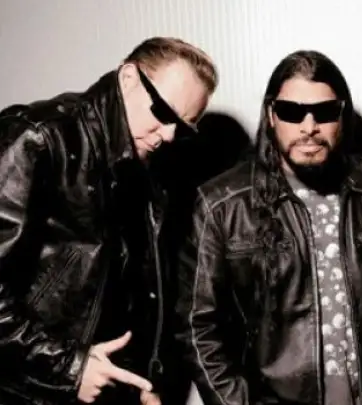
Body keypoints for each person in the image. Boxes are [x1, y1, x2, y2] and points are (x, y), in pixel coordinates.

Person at [176, 50, 362, 405]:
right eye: (292, 111)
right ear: (271, 115)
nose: (308, 127)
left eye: (324, 112)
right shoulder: (222, 205)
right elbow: (197, 326)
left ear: (343, 115)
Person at [0, 37, 218, 405]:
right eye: (163, 112)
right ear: (128, 78)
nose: (168, 135)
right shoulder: (38, 137)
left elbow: (135, 295)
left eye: (182, 127)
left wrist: (143, 386)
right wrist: (68, 369)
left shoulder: (149, 167)